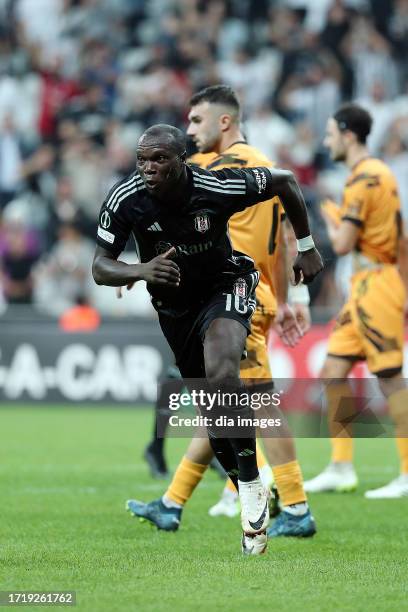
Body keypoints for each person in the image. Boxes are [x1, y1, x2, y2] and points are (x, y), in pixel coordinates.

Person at [92, 123, 323, 555]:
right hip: (175, 310)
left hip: (227, 285)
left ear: (182, 161)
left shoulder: (217, 186)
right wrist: (139, 271)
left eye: (160, 159)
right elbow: (100, 267)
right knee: (214, 412)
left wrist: (307, 247)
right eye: (143, 159)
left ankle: (252, 486)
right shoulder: (126, 199)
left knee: (223, 371)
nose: (149, 168)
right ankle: (245, 484)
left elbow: (286, 181)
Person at [304, 103, 408, 498]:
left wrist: (329, 216)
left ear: (348, 134)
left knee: (390, 379)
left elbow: (343, 244)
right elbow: (401, 236)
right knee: (333, 370)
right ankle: (341, 467)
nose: (326, 141)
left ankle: (407, 473)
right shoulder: (377, 174)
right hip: (368, 283)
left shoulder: (365, 178)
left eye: (330, 133)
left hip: (376, 283)